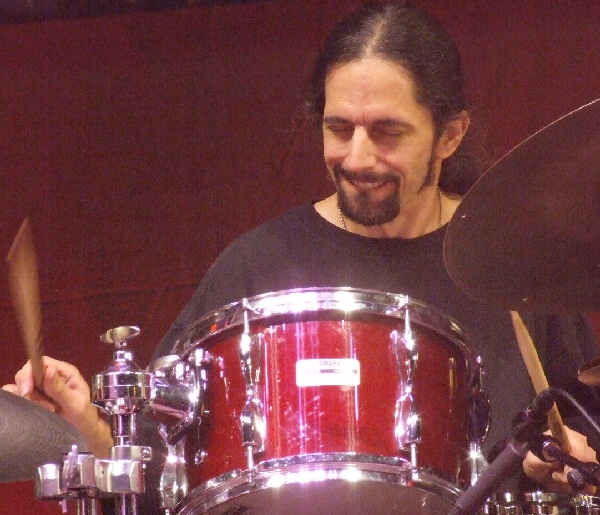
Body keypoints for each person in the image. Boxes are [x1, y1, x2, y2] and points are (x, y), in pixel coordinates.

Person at [4, 3, 600, 514]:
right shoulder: (255, 269)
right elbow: (171, 464)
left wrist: (574, 463)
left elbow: (584, 432)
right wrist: (86, 422)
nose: (357, 157)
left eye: (387, 132)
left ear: (450, 134)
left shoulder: (520, 266)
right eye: (339, 127)